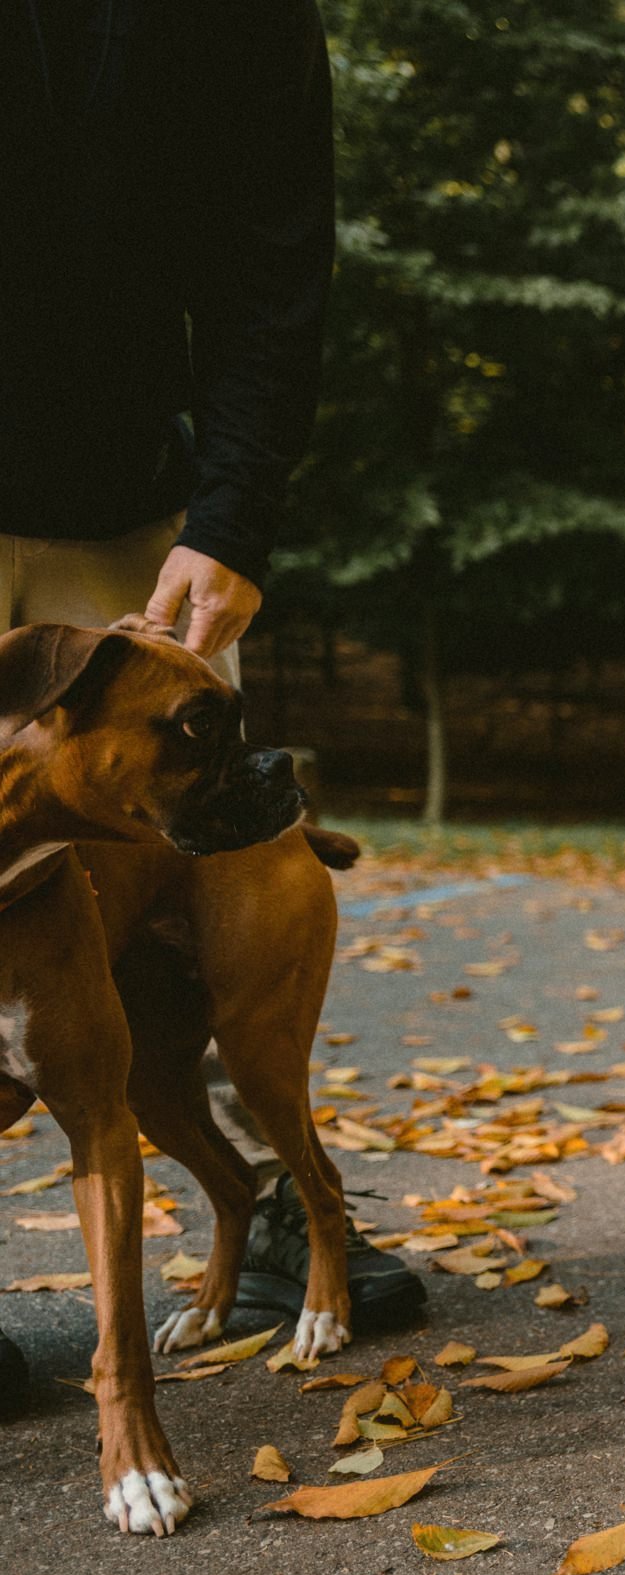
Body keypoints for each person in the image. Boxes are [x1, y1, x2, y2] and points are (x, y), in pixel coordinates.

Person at [0, 0, 423, 1415]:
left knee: (203, 876)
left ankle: (286, 1215)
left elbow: (271, 258)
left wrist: (234, 513)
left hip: (123, 499)